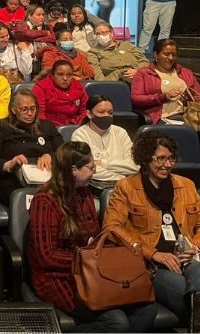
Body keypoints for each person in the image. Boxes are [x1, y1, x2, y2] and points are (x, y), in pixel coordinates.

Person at [103, 131, 200, 332]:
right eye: (161, 158)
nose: (167, 164)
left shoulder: (185, 185)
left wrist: (195, 247)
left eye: (171, 158)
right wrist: (153, 254)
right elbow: (112, 229)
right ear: (145, 159)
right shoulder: (126, 187)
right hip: (153, 267)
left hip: (190, 259)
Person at [28, 141, 158, 332]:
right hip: (58, 277)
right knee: (116, 321)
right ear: (73, 170)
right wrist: (87, 260)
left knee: (147, 309)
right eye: (90, 167)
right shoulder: (45, 201)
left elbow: (94, 240)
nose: (94, 171)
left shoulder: (85, 194)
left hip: (92, 272)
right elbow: (46, 256)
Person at [0, 89, 63, 206]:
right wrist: (8, 164)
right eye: (24, 109)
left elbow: (65, 152)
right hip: (13, 180)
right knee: (38, 203)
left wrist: (51, 156)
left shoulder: (46, 126)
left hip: (47, 179)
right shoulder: (3, 127)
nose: (30, 113)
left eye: (32, 109)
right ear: (14, 109)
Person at [71, 95, 138, 195]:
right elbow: (86, 170)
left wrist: (102, 163)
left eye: (110, 113)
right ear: (89, 114)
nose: (107, 116)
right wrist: (122, 178)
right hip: (93, 189)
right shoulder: (80, 135)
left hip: (126, 189)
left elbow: (134, 166)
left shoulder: (120, 132)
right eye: (101, 112)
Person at [131, 39, 200, 125]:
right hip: (164, 117)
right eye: (166, 54)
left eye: (174, 55)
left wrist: (189, 99)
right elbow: (136, 99)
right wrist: (164, 97)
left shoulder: (185, 72)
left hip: (190, 115)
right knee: (184, 129)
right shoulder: (143, 73)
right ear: (156, 55)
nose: (170, 58)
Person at [32, 60, 88, 127]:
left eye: (69, 75)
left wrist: (81, 125)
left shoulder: (78, 86)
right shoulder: (40, 88)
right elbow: (40, 114)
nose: (65, 78)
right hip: (51, 126)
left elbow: (85, 110)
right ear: (52, 75)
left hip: (76, 125)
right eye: (60, 74)